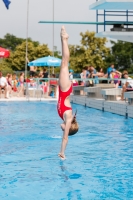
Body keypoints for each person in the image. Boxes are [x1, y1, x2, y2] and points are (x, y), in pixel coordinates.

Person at [57, 26, 79, 160]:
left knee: (63, 63)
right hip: (65, 90)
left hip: (62, 90)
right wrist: (62, 152)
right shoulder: (68, 119)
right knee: (65, 63)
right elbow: (65, 138)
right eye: (65, 129)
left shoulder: (65, 118)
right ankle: (65, 39)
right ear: (68, 128)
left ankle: (63, 39)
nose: (63, 129)